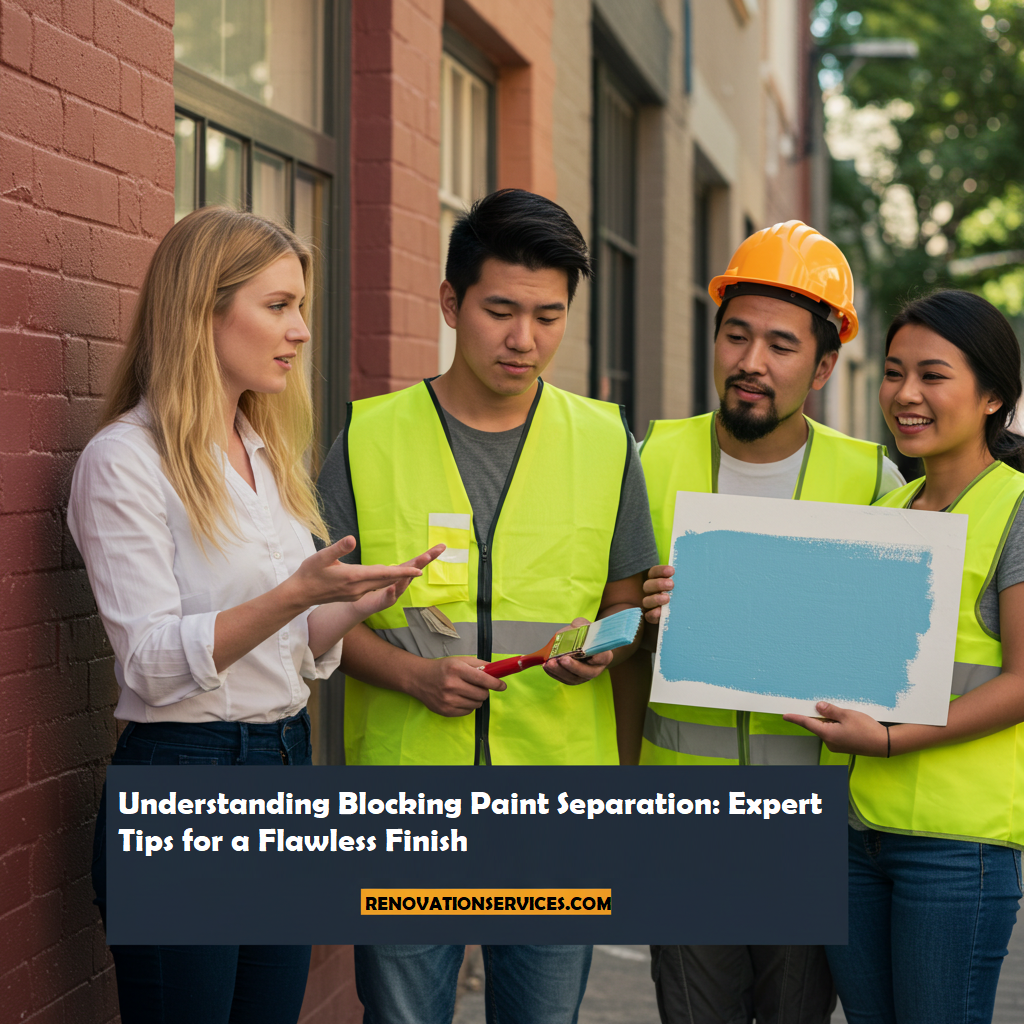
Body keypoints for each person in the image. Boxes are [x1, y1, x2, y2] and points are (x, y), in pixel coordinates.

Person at [68, 206, 438, 1024]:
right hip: (187, 776)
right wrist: (295, 592)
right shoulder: (125, 461)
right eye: (278, 306)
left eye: (300, 307)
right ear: (204, 310)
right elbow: (153, 666)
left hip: (282, 762)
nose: (300, 331)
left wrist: (357, 601)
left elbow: (289, 650)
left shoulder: (264, 454)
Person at [317, 188, 658, 1023]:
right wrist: (411, 675)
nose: (524, 339)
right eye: (501, 311)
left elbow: (624, 602)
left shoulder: (606, 442)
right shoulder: (366, 439)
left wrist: (602, 651)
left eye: (549, 316)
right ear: (450, 302)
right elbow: (315, 619)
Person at [620, 221, 905, 1024]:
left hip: (814, 834)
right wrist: (638, 620)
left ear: (822, 366)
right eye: (737, 335)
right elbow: (609, 638)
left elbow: (896, 655)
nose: (752, 362)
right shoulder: (649, 461)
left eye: (781, 345)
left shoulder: (872, 480)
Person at [784, 290, 1024, 1024]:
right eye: (893, 373)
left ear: (990, 396)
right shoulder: (887, 512)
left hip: (955, 852)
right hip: (854, 836)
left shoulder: (1014, 509)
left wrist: (889, 740)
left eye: (932, 375)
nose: (906, 395)